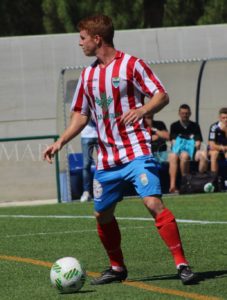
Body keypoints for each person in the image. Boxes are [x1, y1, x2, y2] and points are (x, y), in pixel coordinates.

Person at [43, 15, 196, 285]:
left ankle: (182, 264)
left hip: (136, 151)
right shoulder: (88, 76)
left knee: (152, 202)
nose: (80, 43)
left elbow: (161, 94)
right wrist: (60, 141)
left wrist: (143, 110)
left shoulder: (132, 65)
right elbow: (80, 116)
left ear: (97, 38)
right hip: (106, 159)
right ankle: (117, 268)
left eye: (82, 38)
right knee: (102, 215)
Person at [168, 104, 207, 193]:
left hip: (191, 152)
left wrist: (188, 146)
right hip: (178, 151)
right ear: (179, 113)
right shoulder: (174, 126)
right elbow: (173, 142)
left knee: (188, 155)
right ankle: (172, 186)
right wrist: (188, 142)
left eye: (186, 113)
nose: (184, 115)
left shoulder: (195, 126)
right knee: (173, 156)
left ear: (190, 113)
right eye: (182, 113)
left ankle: (186, 183)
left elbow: (197, 143)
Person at [80, 119, 98, 202]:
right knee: (86, 164)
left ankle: (103, 189)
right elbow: (76, 116)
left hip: (100, 135)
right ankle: (86, 192)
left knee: (104, 163)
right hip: (86, 135)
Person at [208, 107, 227, 174]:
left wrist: (225, 131)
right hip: (217, 150)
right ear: (219, 118)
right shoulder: (214, 127)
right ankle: (214, 179)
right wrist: (223, 148)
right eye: (223, 118)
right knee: (214, 153)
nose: (225, 120)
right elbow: (212, 145)